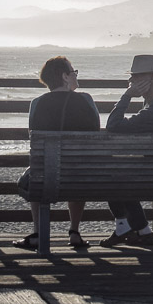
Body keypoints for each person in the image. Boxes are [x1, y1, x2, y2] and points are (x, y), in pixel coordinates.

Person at [13, 56, 100, 250]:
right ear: (64, 76)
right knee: (77, 161)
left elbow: (33, 137)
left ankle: (38, 233)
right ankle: (74, 232)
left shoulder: (37, 103)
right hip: (82, 174)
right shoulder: (85, 100)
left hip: (46, 176)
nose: (76, 75)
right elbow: (95, 132)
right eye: (73, 72)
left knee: (36, 168)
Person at [101, 54, 153, 247]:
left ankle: (130, 228)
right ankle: (141, 231)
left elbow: (113, 125)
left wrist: (127, 96)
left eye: (136, 77)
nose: (130, 81)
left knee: (111, 174)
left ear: (152, 78)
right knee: (117, 172)